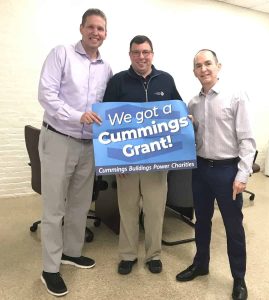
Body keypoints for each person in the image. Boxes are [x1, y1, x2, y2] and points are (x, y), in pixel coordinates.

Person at [38, 8, 112, 297]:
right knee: (54, 208)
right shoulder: (62, 54)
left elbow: (110, 107)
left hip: (88, 146)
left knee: (80, 205)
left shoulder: (107, 67)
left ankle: (71, 252)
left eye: (101, 29)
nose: (96, 32)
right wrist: (77, 115)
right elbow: (46, 94)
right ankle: (50, 269)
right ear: (81, 28)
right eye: (91, 27)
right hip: (59, 138)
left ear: (106, 34)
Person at [175, 49, 256, 300]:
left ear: (218, 66)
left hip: (226, 171)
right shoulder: (193, 103)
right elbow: (196, 135)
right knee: (202, 221)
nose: (203, 69)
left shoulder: (236, 96)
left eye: (208, 63)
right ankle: (201, 264)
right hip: (200, 170)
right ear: (194, 71)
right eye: (198, 66)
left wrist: (242, 175)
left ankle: (239, 279)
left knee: (233, 227)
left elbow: (247, 140)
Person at [102, 35, 182, 275]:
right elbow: (108, 122)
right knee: (127, 209)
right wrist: (115, 162)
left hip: (157, 161)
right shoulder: (118, 82)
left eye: (145, 52)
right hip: (126, 160)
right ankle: (127, 255)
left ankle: (153, 255)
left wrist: (185, 120)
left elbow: (177, 113)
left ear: (152, 54)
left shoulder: (166, 80)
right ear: (130, 55)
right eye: (136, 52)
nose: (141, 56)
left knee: (155, 210)